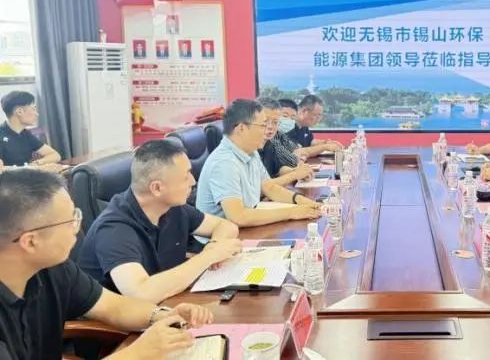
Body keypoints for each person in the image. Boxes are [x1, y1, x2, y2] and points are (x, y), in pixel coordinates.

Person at [0, 168, 214, 359]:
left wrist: (164, 315)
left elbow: (113, 307)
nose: (77, 228)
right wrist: (138, 353)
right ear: (31, 241)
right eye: (70, 220)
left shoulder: (53, 268)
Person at [80, 140, 241, 303]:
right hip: (125, 316)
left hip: (167, 303)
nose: (193, 181)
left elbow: (225, 226)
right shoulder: (114, 229)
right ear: (157, 188)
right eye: (185, 176)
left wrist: (214, 246)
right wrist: (208, 257)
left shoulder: (171, 207)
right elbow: (141, 294)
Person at [195, 99, 322, 227]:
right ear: (242, 128)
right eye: (263, 125)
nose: (267, 130)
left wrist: (301, 200)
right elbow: (239, 217)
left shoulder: (251, 151)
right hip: (221, 236)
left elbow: (268, 187)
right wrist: (292, 212)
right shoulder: (224, 162)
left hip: (244, 228)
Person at [258, 98, 313, 186]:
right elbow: (261, 186)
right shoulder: (249, 148)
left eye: (275, 122)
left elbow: (278, 169)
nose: (270, 127)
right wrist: (295, 174)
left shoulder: (269, 144)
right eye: (265, 121)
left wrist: (296, 171)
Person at [0, 91, 61, 168]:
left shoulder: (25, 133)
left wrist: (36, 164)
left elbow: (55, 155)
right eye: (33, 109)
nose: (37, 114)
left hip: (26, 174)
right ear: (19, 111)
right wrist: (27, 168)